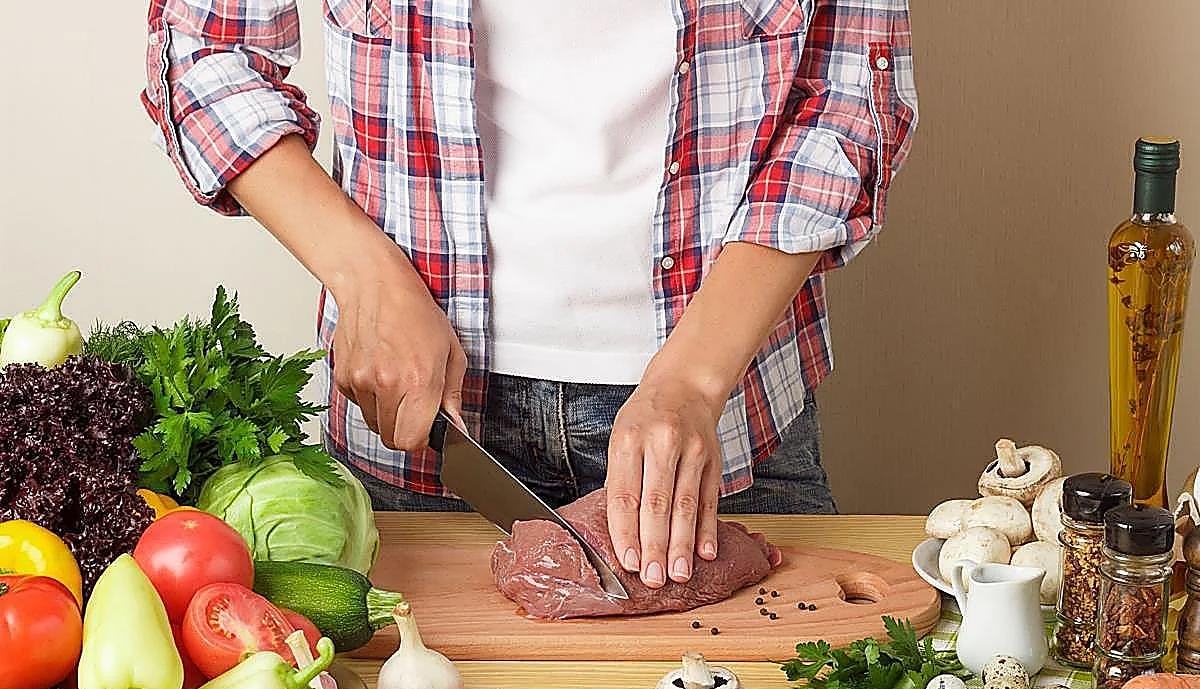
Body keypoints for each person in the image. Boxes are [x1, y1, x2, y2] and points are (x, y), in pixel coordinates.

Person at [143, 0, 916, 590]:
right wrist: (363, 276)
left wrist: (694, 379)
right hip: (421, 426)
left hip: (728, 415)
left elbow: (847, 93)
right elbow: (208, 51)